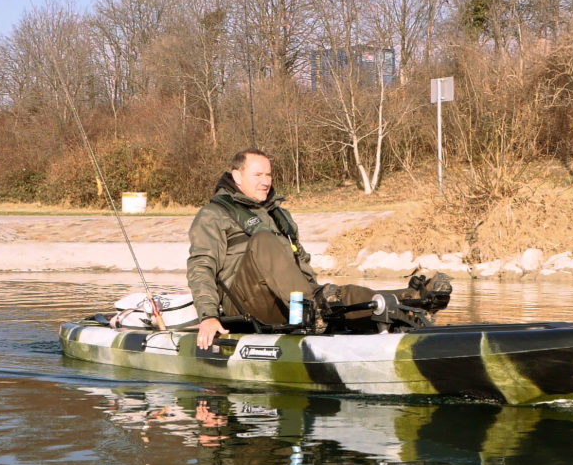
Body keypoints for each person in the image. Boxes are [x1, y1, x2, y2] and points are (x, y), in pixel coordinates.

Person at [186, 148, 450, 350]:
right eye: (257, 175)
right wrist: (208, 316)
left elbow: (300, 266)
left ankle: (412, 302)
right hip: (243, 304)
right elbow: (201, 267)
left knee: (339, 295)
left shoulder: (279, 215)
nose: (266, 181)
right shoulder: (214, 214)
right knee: (263, 242)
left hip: (295, 301)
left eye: (268, 175)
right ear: (237, 176)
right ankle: (315, 307)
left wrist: (320, 294)